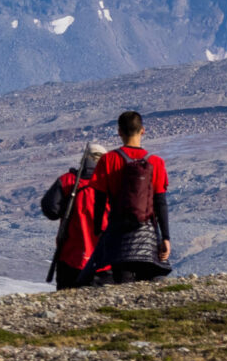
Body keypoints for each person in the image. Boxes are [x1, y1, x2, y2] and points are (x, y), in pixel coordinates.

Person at [88, 111, 173, 283]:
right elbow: (160, 203)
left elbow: (99, 201)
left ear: (119, 132)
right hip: (147, 236)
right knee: (147, 290)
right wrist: (165, 237)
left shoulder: (108, 160)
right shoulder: (156, 162)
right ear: (143, 130)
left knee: (123, 289)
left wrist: (98, 230)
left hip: (119, 236)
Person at [41, 141, 108, 289]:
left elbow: (50, 210)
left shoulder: (67, 180)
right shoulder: (112, 183)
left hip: (71, 259)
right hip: (105, 261)